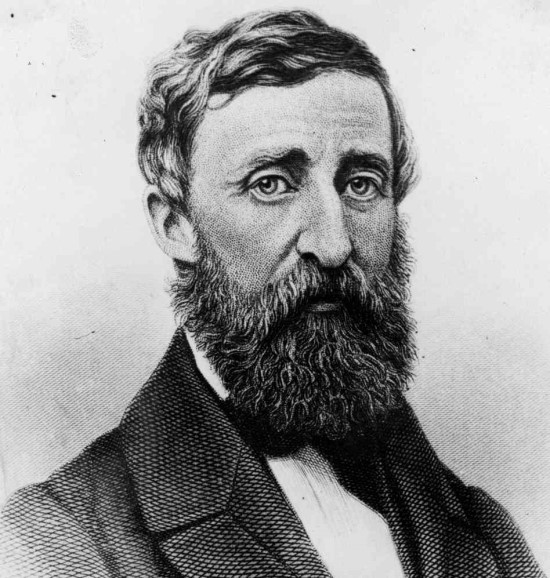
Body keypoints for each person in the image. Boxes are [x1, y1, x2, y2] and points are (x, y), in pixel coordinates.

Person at [0, 9, 544, 578]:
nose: (333, 244)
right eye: (271, 185)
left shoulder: (488, 535)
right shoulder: (54, 540)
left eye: (362, 184)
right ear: (176, 226)